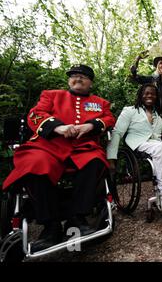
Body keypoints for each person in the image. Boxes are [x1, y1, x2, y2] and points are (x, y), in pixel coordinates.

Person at [2, 64, 116, 252]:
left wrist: (91, 126)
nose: (78, 79)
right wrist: (58, 127)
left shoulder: (100, 102)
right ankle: (50, 226)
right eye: (74, 76)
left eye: (83, 77)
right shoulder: (52, 95)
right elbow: (36, 114)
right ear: (69, 80)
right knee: (33, 164)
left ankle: (77, 218)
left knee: (95, 161)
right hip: (49, 146)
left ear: (90, 83)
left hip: (83, 147)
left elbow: (108, 119)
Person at [107, 83, 162, 214]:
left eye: (153, 94)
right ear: (141, 95)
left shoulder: (159, 115)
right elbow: (118, 133)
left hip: (156, 144)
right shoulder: (130, 111)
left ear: (156, 97)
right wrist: (111, 157)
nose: (149, 96)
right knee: (161, 147)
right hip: (138, 144)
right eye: (146, 93)